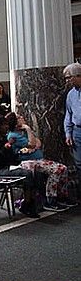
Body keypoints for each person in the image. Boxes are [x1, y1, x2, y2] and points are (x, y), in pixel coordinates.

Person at [6, 112, 74, 211]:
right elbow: (33, 144)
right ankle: (51, 199)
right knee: (57, 169)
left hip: (38, 159)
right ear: (15, 123)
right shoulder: (14, 136)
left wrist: (32, 144)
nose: (22, 117)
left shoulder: (23, 132)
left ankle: (62, 195)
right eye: (19, 117)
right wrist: (29, 130)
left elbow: (38, 142)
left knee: (63, 168)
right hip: (29, 162)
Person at [0, 115, 40, 218]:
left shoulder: (3, 138)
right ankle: (28, 204)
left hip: (8, 166)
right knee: (27, 174)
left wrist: (19, 153)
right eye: (4, 125)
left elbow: (10, 157)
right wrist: (7, 146)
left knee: (33, 171)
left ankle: (30, 201)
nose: (6, 127)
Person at [63, 62, 81, 196]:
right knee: (79, 164)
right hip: (77, 131)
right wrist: (68, 133)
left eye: (69, 77)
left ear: (78, 75)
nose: (67, 81)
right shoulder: (70, 94)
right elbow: (68, 115)